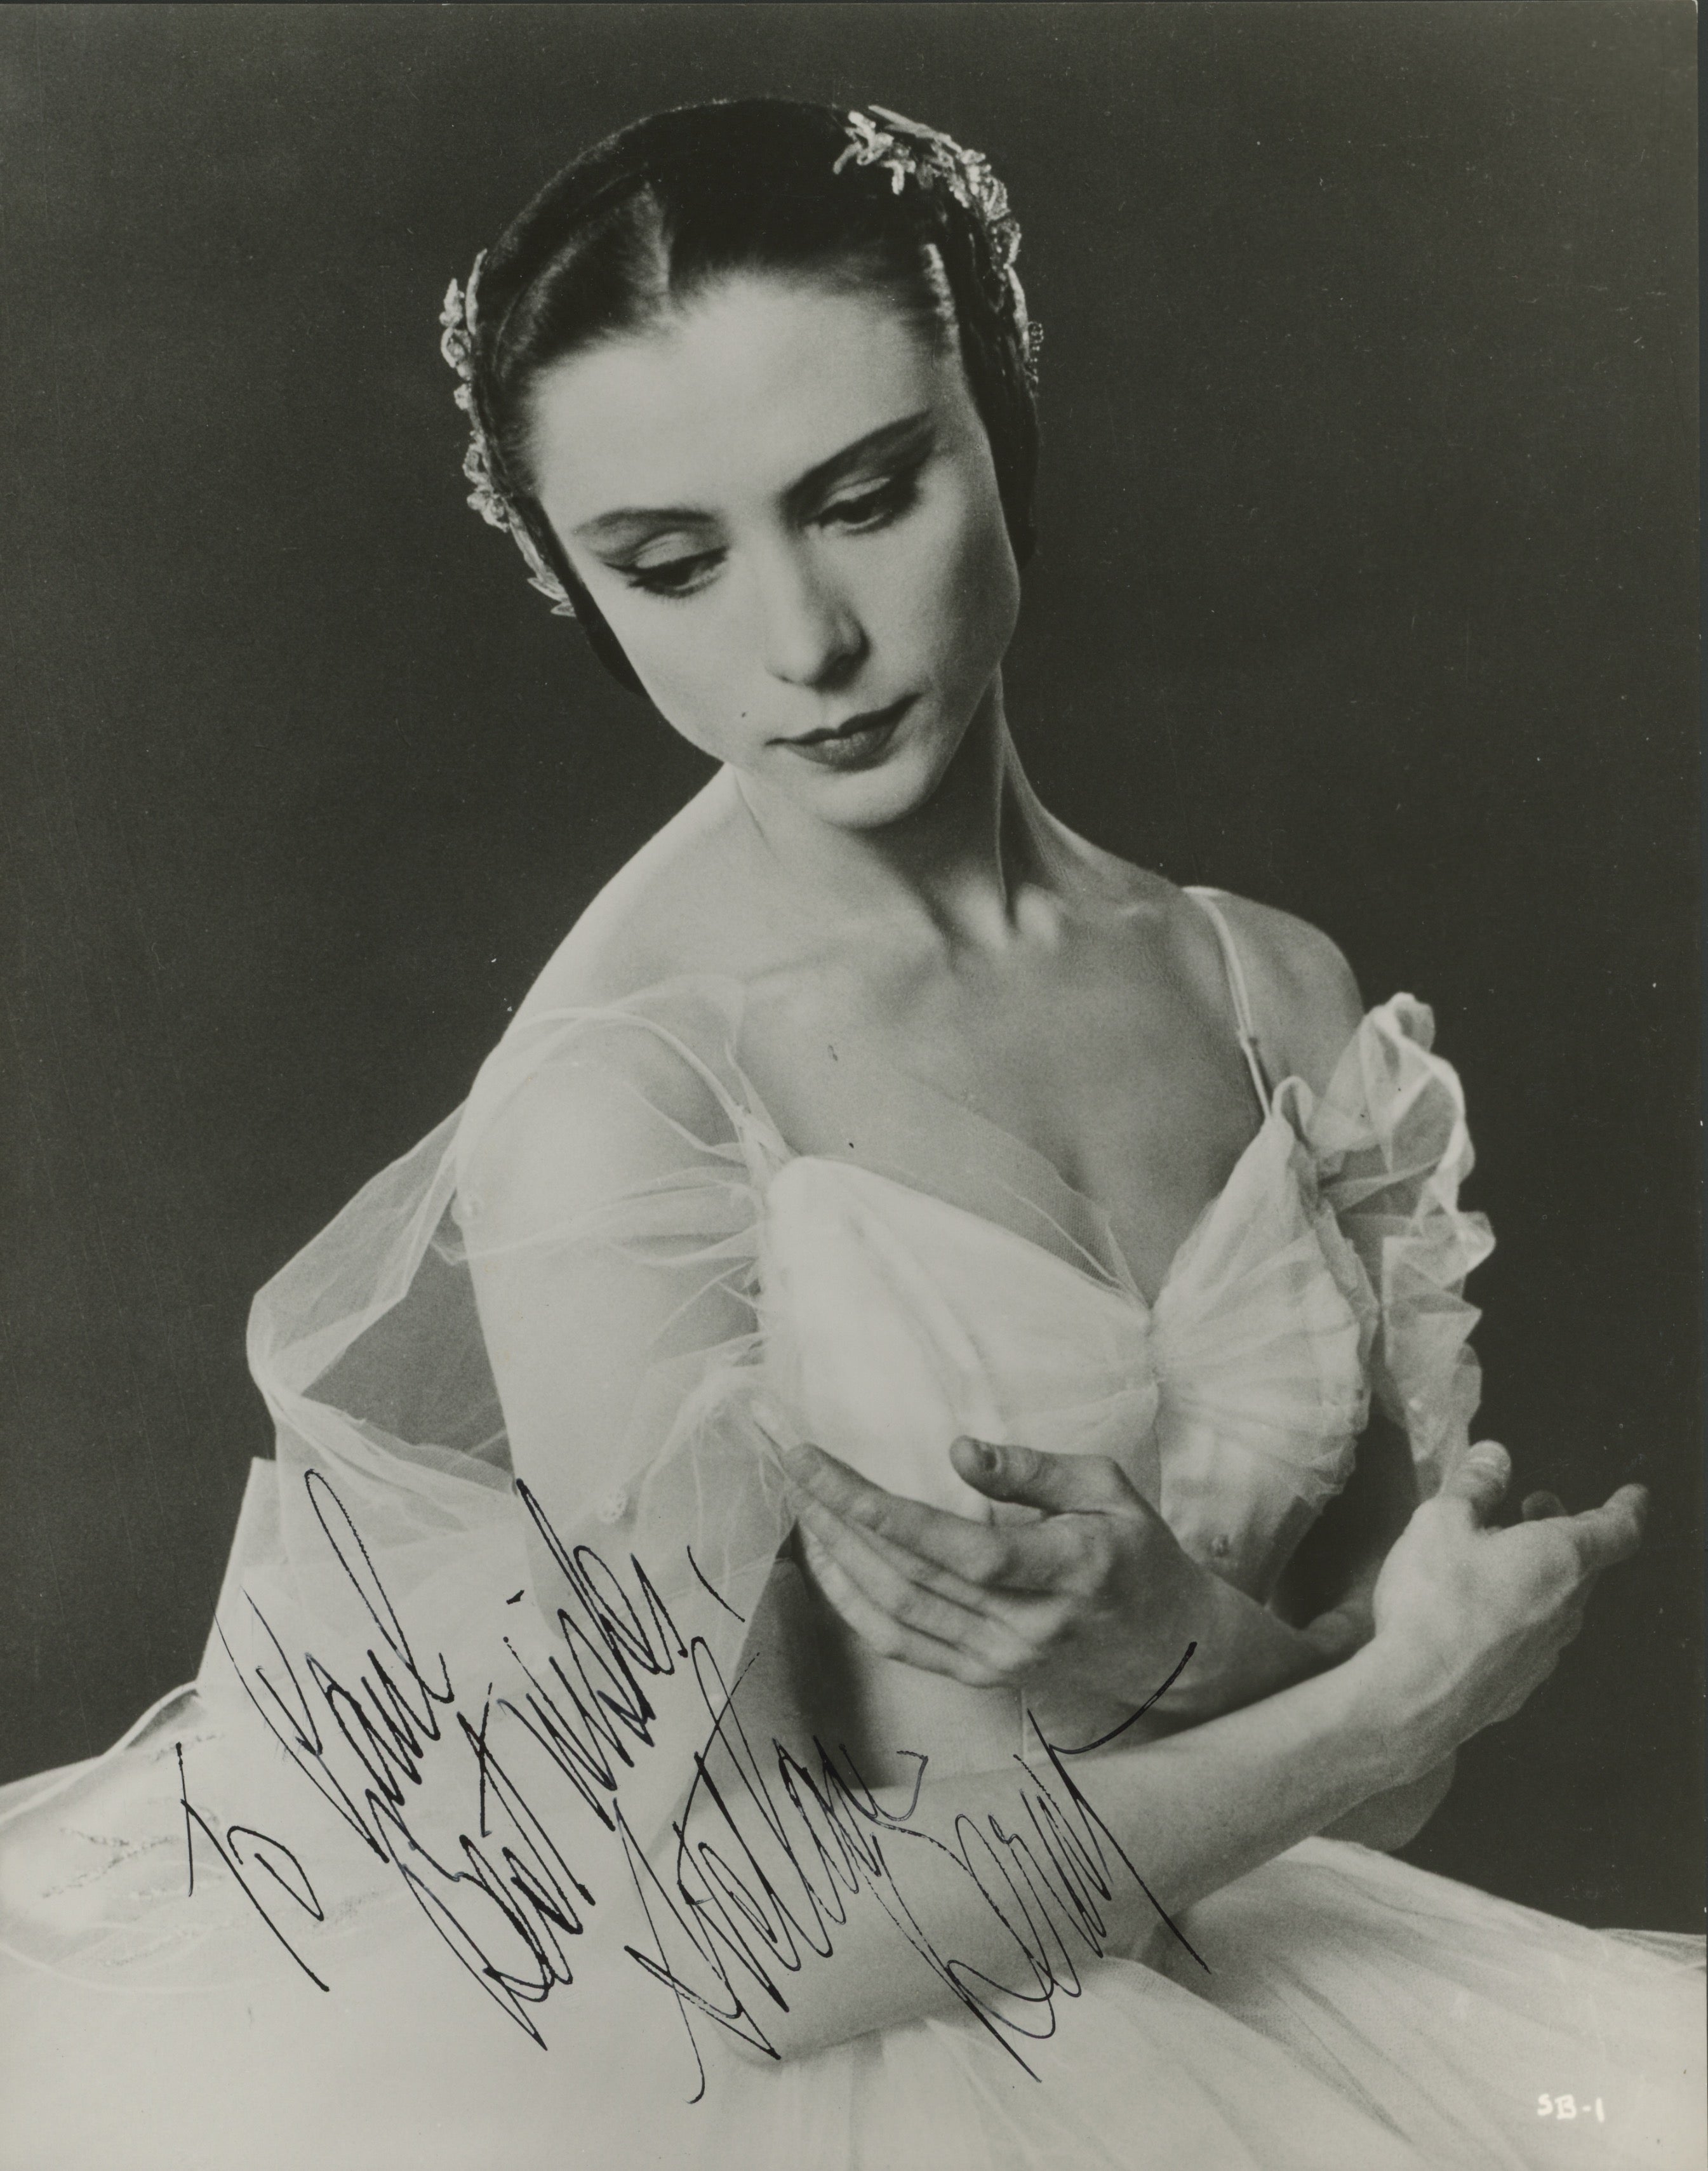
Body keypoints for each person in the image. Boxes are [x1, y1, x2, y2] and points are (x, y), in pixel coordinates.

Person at [0, 98, 1699, 2171]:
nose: (799, 643)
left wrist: (1199, 1651)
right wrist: (1361, 1699)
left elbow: (1395, 1776)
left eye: (868, 495)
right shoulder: (626, 1089)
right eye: (668, 564)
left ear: (1003, 418)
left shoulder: (1264, 986)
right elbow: (747, 1938)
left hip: (1254, 1995)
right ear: (568, 573)